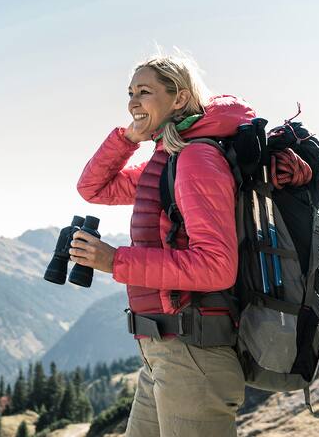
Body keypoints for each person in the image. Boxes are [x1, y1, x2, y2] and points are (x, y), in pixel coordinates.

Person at [69, 54, 256, 436]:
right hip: (164, 354)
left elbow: (216, 265)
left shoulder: (196, 160)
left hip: (193, 357)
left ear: (178, 98)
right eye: (131, 93)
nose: (133, 102)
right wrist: (125, 138)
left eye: (145, 92)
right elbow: (93, 188)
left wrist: (115, 260)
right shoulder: (167, 160)